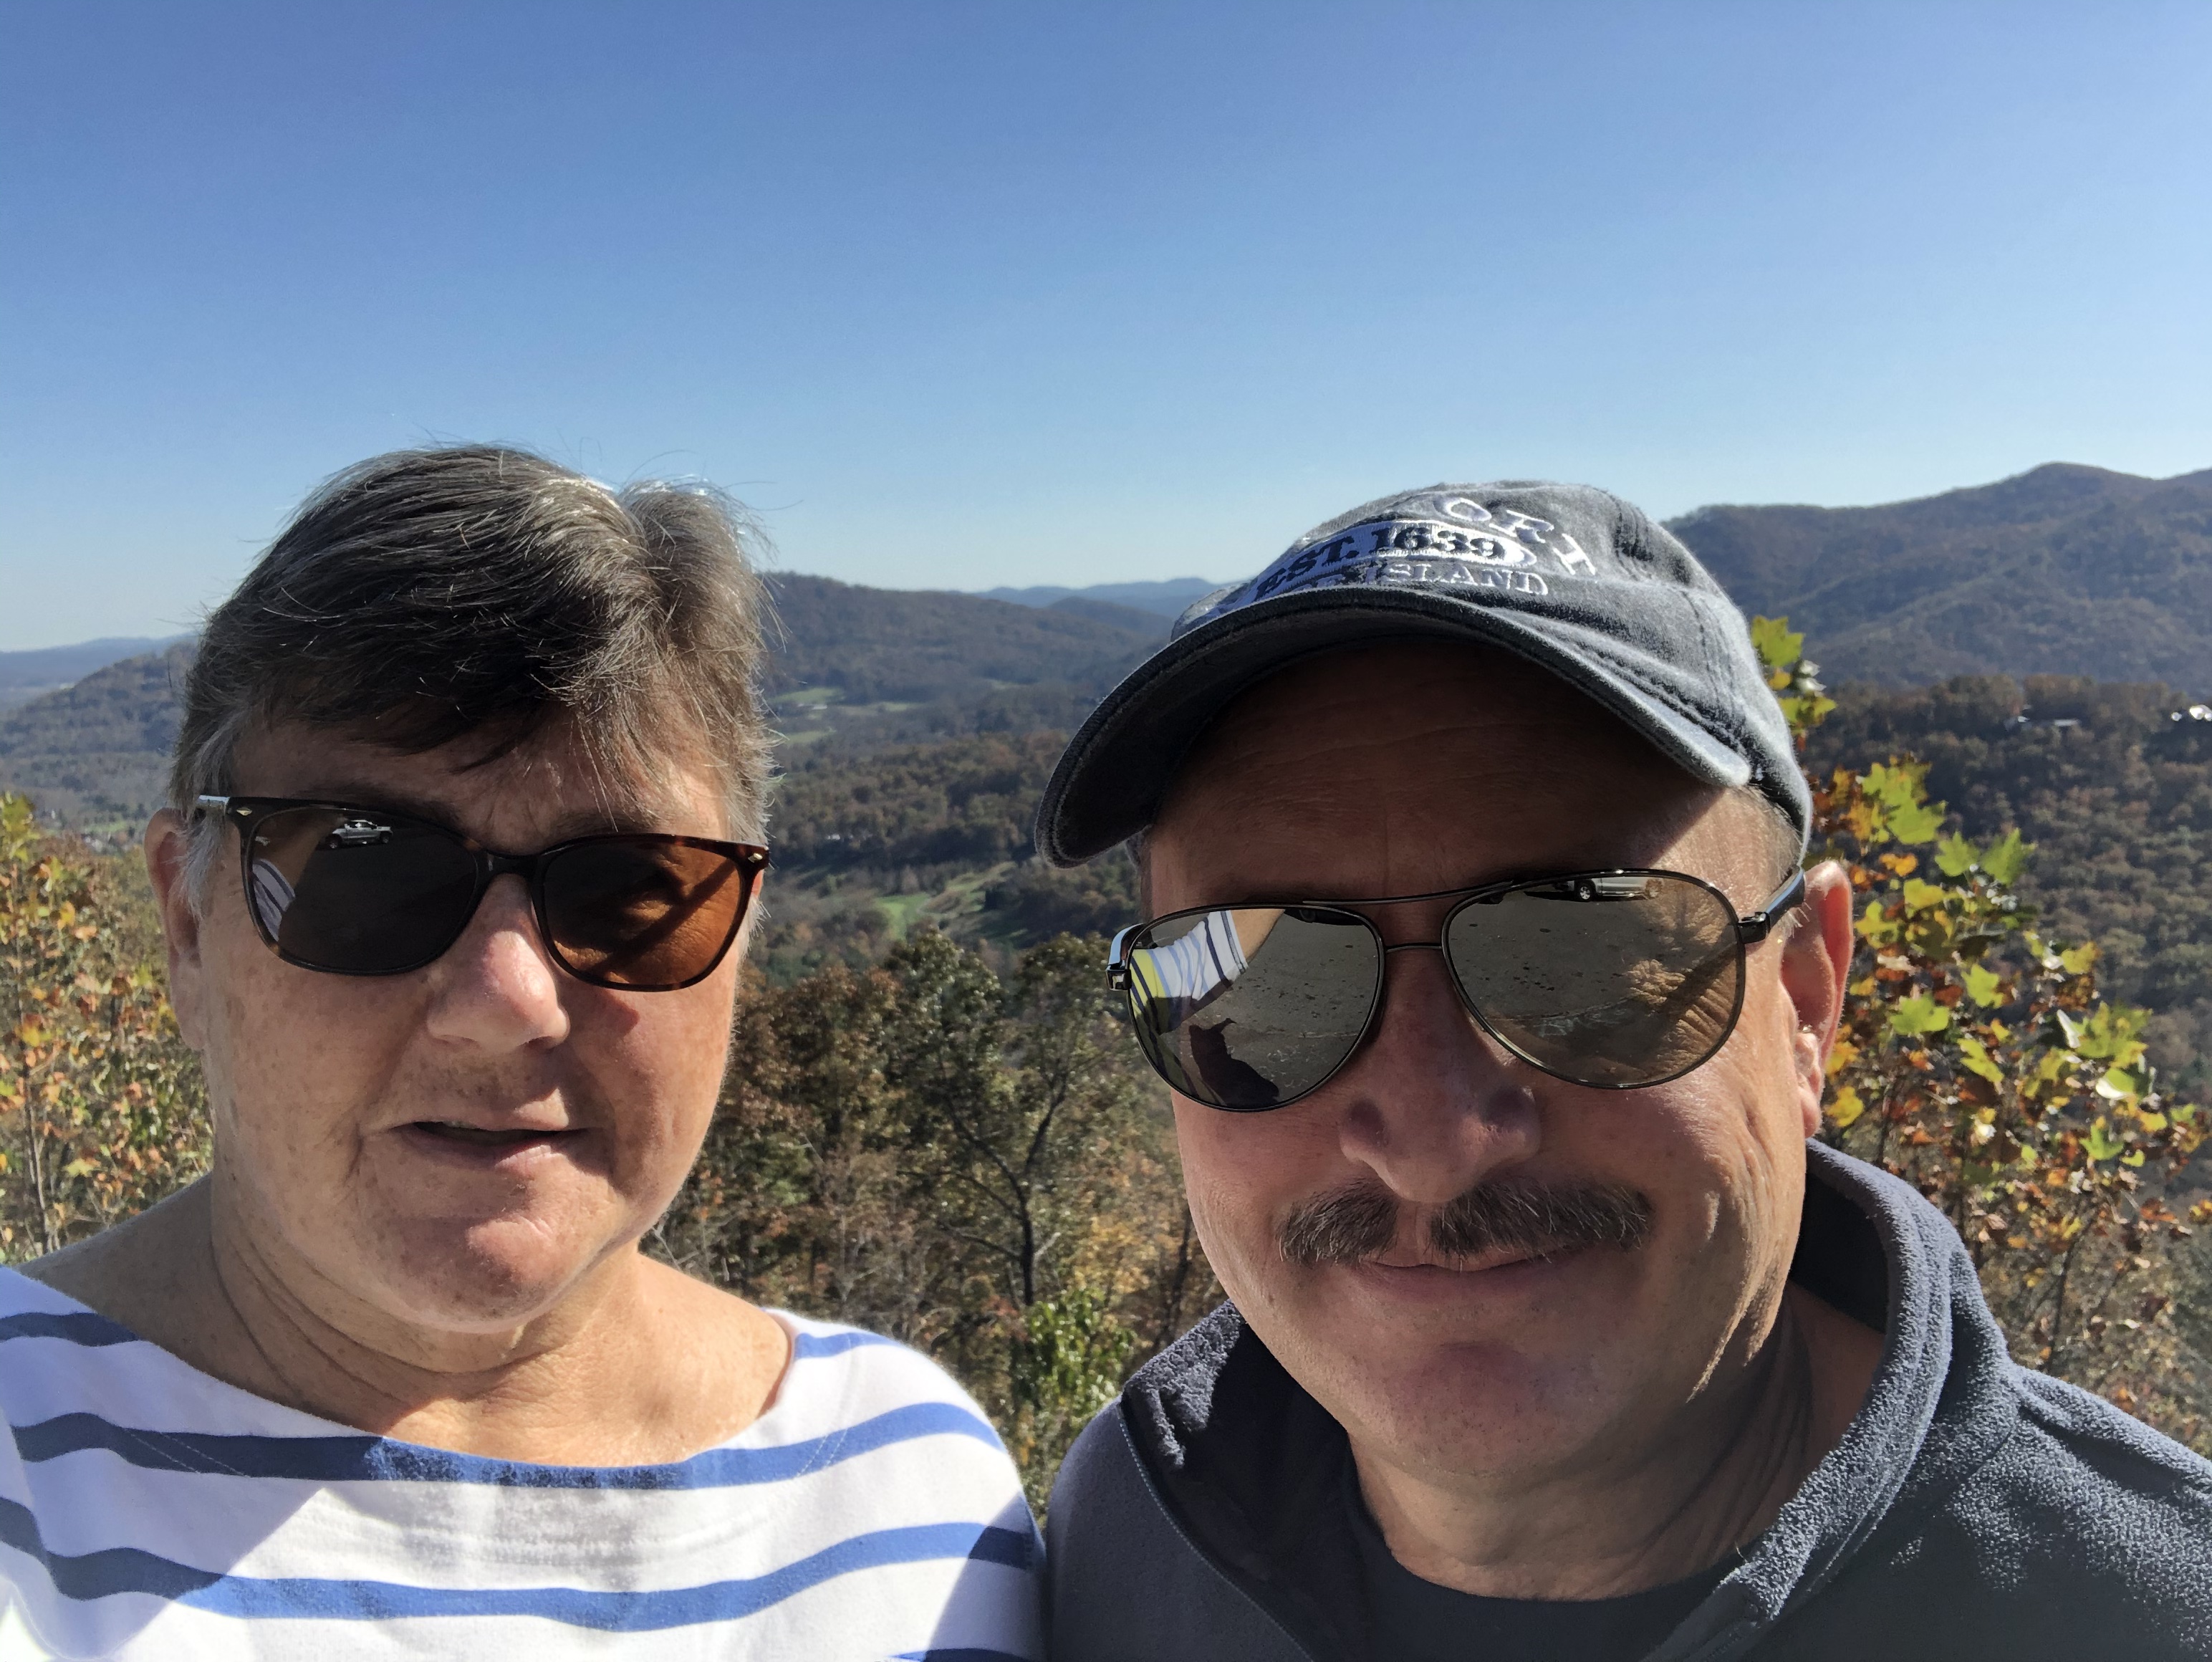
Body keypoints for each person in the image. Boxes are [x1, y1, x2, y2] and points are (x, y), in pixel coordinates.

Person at [1034, 484, 2212, 1661]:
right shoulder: (1129, 1530)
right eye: (1264, 980)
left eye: (1581, 959)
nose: (1432, 1144)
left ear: (1806, 1002)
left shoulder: (2148, 1620)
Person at [0, 448, 1042, 1660]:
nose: (505, 1001)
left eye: (627, 891)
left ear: (743, 939)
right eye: (366, 871)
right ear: (188, 925)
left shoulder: (918, 1493)